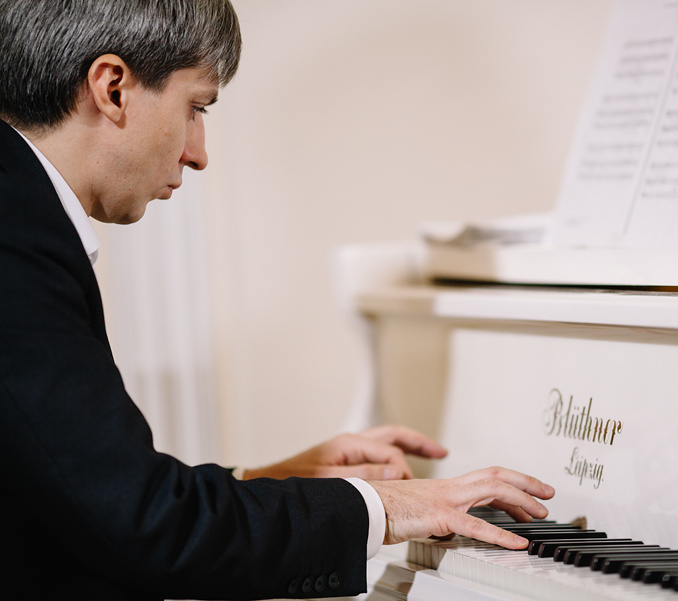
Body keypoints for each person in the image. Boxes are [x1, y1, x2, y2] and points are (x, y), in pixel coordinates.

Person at [0, 1, 554, 599]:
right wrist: (384, 506)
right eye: (195, 107)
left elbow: (63, 502)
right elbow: (145, 526)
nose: (198, 153)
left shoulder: (20, 210)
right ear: (112, 88)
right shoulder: (15, 233)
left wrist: (268, 482)